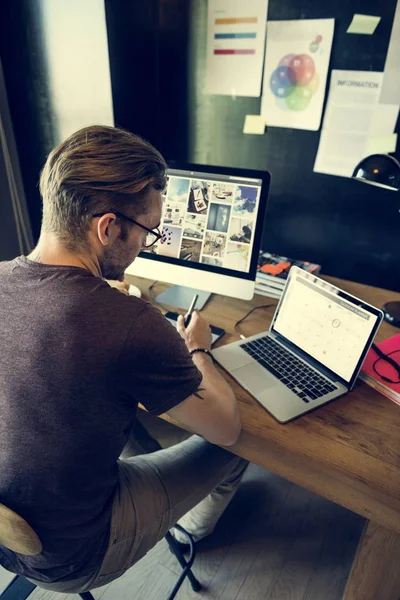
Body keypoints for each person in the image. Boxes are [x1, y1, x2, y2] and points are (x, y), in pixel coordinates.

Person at [0, 125, 248, 594]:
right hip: (76, 554)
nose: (143, 246)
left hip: (6, 529)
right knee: (233, 450)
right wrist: (199, 349)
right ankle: (189, 530)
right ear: (108, 227)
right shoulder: (131, 323)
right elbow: (227, 427)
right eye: (147, 232)